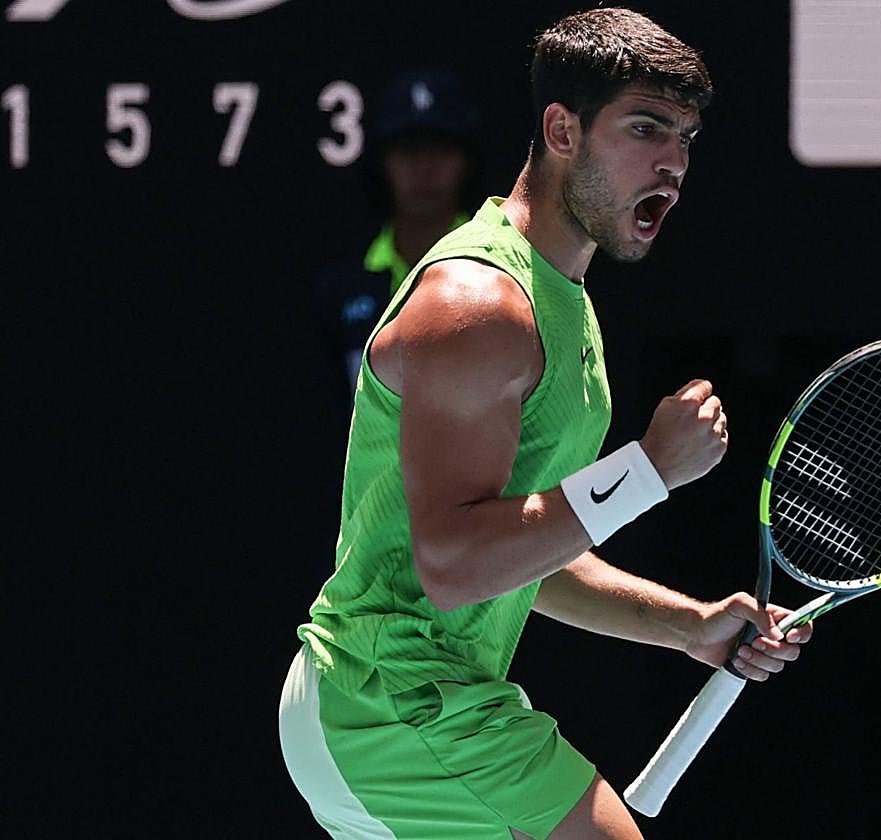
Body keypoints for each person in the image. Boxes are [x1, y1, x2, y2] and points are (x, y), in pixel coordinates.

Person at [279, 9, 813, 839]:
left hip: (380, 708)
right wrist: (647, 471)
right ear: (562, 131)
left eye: (684, 138)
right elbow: (454, 567)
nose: (672, 163)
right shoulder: (479, 304)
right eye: (645, 128)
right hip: (396, 700)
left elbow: (518, 559)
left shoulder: (560, 301)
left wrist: (688, 626)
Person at [313, 68, 481, 404]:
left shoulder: (502, 271)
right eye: (408, 150)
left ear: (466, 159)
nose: (424, 168)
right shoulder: (342, 287)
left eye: (439, 149)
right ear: (383, 161)